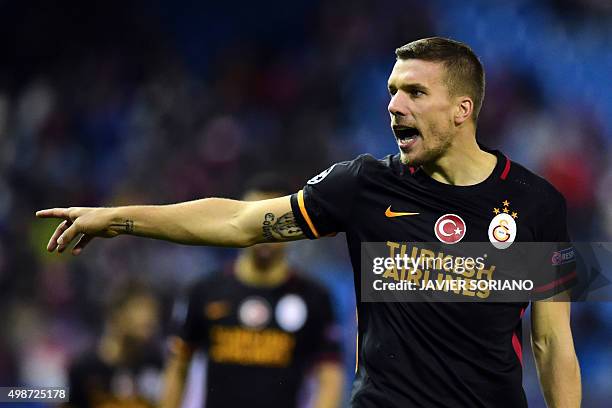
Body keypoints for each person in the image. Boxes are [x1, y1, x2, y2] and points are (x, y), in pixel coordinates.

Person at [38, 37, 581, 407]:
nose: (395, 105)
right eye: (391, 90)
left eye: (415, 92)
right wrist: (118, 218)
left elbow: (552, 344)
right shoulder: (364, 185)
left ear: (463, 110)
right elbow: (239, 222)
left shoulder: (537, 203)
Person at [160, 174, 344, 408]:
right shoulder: (204, 291)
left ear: (293, 224)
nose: (264, 230)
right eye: (256, 218)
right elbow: (177, 367)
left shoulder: (315, 298)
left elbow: (330, 378)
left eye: (275, 218)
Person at [66, 283, 164, 408]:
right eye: (140, 308)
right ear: (117, 313)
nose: (150, 318)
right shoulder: (83, 368)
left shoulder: (154, 363)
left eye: (152, 311)